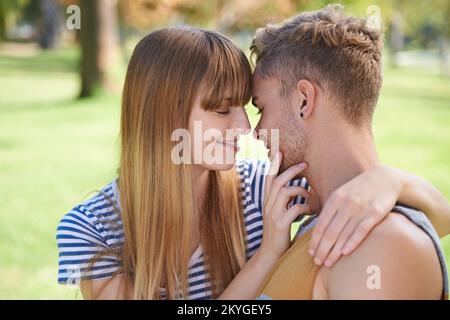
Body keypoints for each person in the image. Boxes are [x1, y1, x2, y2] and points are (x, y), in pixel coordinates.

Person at [57, 25, 450, 300]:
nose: (245, 127)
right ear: (166, 116)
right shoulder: (91, 231)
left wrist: (389, 181)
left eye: (247, 107)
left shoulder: (262, 191)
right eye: (223, 110)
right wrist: (267, 255)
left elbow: (435, 223)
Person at [252, 4, 449, 299]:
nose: (256, 131)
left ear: (304, 100)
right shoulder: (320, 216)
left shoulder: (383, 245)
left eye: (261, 108)